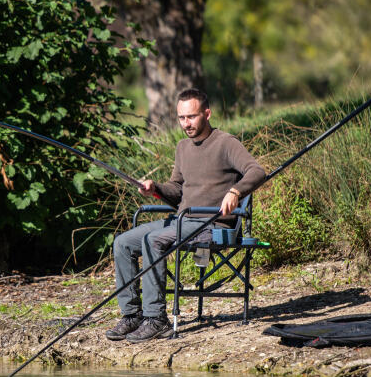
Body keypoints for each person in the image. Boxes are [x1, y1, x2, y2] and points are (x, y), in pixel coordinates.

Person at [106, 89, 265, 343]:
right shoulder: (182, 147)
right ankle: (132, 315)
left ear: (207, 113)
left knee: (153, 240)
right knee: (122, 243)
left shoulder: (226, 143)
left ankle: (156, 319)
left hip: (211, 224)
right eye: (181, 118)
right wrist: (155, 188)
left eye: (191, 117)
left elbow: (257, 171)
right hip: (182, 221)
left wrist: (235, 191)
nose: (186, 124)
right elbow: (177, 190)